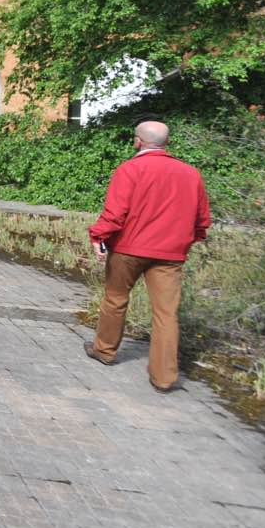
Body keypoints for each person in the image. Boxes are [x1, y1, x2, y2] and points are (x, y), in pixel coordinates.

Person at [86, 120, 212, 392]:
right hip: (170, 254)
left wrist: (98, 236)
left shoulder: (130, 169)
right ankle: (165, 378)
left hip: (128, 249)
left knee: (116, 298)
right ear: (167, 143)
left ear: (138, 141)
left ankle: (104, 350)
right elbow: (202, 219)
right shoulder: (191, 173)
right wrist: (191, 239)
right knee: (166, 314)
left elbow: (115, 213)